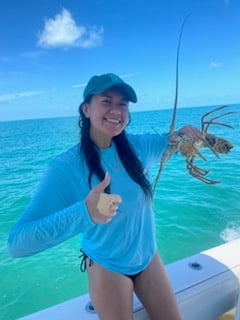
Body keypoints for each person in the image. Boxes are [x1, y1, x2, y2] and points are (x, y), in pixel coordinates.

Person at [8, 73, 200, 320]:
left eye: (123, 104)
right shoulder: (65, 167)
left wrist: (185, 134)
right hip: (107, 267)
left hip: (148, 257)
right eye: (106, 101)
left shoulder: (140, 147)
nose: (116, 110)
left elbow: (173, 142)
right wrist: (84, 213)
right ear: (86, 109)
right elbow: (17, 244)